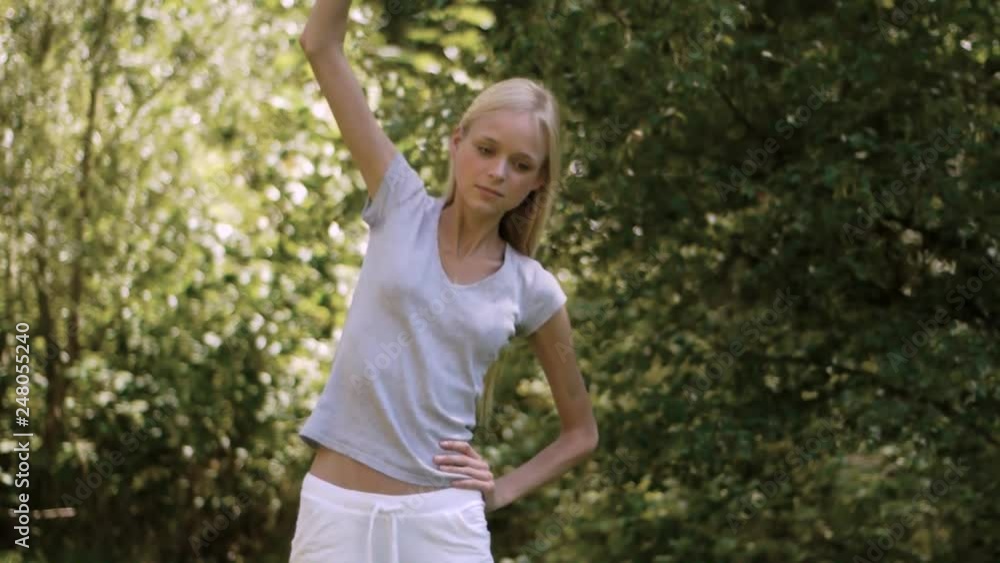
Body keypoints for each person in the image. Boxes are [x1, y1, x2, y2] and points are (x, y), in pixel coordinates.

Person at [291, 1, 599, 561]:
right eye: (486, 150)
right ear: (457, 141)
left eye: (521, 164)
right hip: (335, 513)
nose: (498, 172)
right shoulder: (399, 202)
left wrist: (501, 490)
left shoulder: (532, 288)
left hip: (443, 526)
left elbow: (581, 432)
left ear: (537, 181)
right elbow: (320, 44)